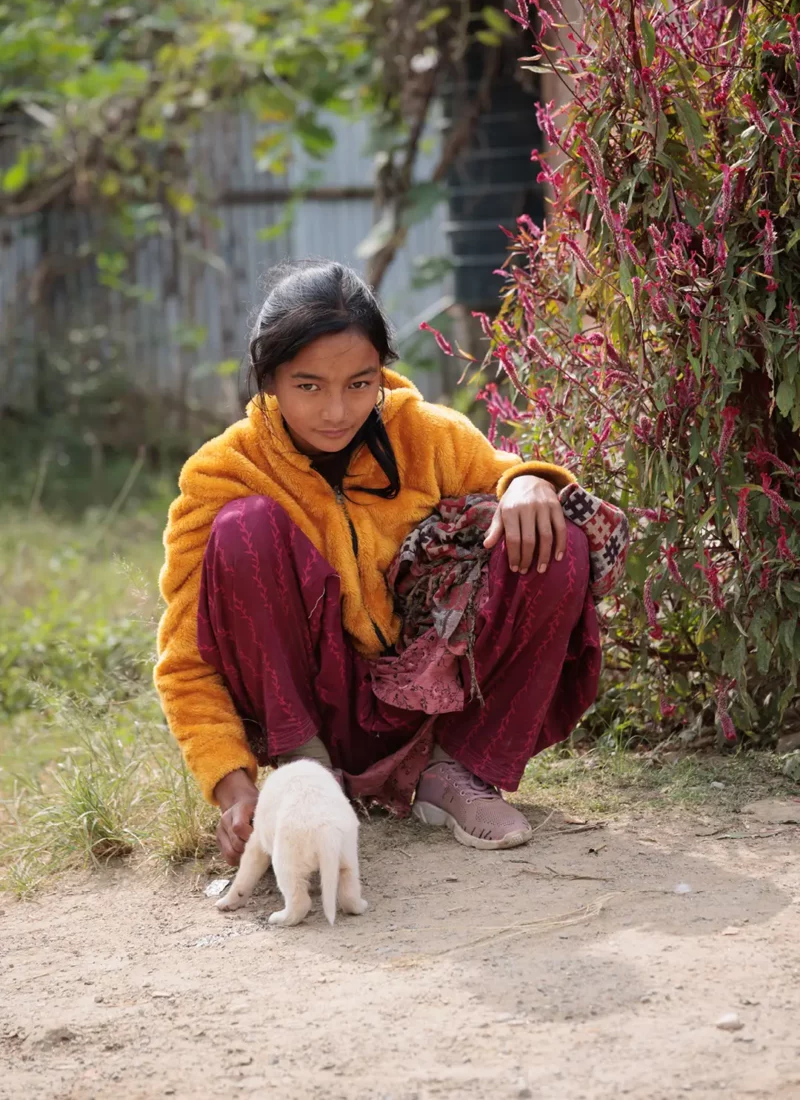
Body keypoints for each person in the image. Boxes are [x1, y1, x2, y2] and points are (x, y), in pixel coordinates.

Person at [155, 260, 601, 867]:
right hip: (308, 712)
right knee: (244, 528)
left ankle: (455, 774)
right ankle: (308, 780)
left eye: (359, 384)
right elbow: (186, 657)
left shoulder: (426, 435)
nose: (337, 411)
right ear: (268, 378)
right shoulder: (221, 474)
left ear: (382, 373)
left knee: (556, 535)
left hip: (424, 702)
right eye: (308, 386)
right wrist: (233, 787)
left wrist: (529, 482)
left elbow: (503, 472)